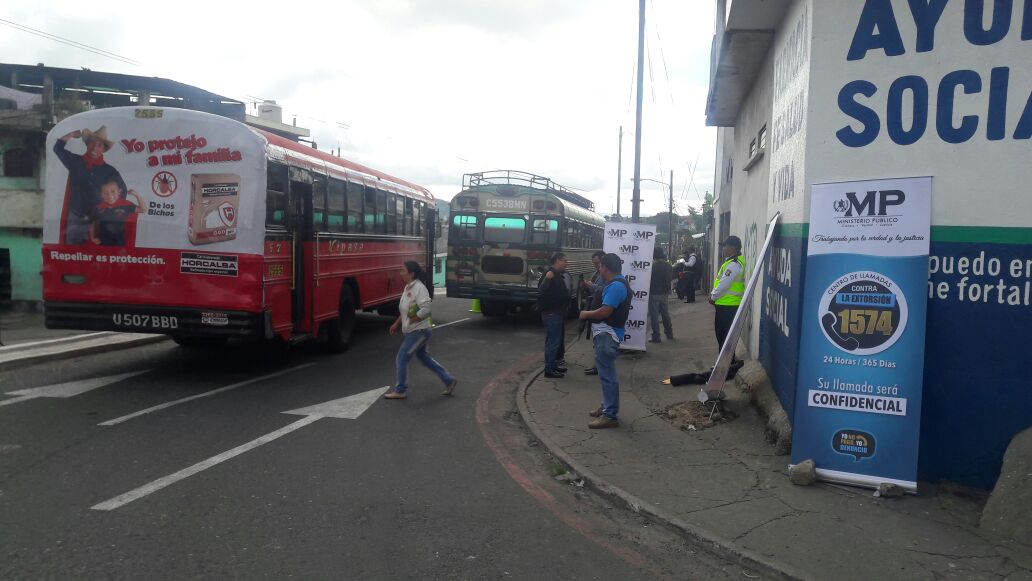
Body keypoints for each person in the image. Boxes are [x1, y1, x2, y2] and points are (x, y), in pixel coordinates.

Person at [385, 261, 457, 399]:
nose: (400, 273)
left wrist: (415, 319)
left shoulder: (419, 288)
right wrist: (396, 323)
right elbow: (406, 310)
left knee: (402, 357)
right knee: (424, 358)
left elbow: (426, 308)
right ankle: (449, 380)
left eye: (402, 270)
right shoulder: (408, 288)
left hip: (419, 331)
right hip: (413, 331)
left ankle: (400, 390)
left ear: (411, 273)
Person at [578, 253, 632, 429]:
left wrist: (586, 314)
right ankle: (606, 406)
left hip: (607, 335)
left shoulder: (616, 286)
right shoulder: (614, 283)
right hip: (605, 334)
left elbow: (605, 311)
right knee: (605, 375)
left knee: (608, 376)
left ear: (606, 268)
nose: (598, 269)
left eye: (600, 266)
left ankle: (610, 415)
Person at [53, 126, 128, 245]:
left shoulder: (110, 171)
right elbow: (57, 148)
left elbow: (122, 192)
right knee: (73, 254)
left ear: (103, 149)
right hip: (75, 218)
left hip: (99, 222)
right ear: (87, 144)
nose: (94, 148)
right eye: (92, 143)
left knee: (98, 255)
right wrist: (71, 134)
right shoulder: (75, 162)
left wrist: (108, 211)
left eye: (99, 145)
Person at [710, 236, 746, 365]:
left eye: (726, 246)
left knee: (723, 337)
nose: (723, 248)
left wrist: (713, 296)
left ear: (733, 248)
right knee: (725, 337)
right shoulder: (733, 262)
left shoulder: (733, 264)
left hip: (727, 306)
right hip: (728, 305)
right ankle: (727, 362)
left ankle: (724, 365)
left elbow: (724, 284)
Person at [538, 252, 570, 378]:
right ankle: (549, 370)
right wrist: (547, 278)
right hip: (552, 314)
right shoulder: (550, 274)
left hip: (557, 313)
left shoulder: (557, 274)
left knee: (555, 341)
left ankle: (553, 365)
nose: (566, 263)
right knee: (553, 342)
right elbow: (541, 291)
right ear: (557, 260)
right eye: (564, 260)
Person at [90, 179, 144, 246]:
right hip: (102, 242)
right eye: (106, 193)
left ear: (119, 191)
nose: (110, 195)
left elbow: (142, 209)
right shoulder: (98, 208)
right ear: (101, 194)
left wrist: (137, 195)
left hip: (120, 242)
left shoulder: (125, 205)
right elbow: (93, 224)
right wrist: (92, 237)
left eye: (113, 191)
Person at [581, 250, 606, 376]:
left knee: (600, 343)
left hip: (601, 312)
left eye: (597, 263)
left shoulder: (606, 275)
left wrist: (592, 286)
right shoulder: (597, 273)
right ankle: (597, 366)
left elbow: (604, 289)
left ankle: (598, 367)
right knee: (596, 342)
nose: (595, 265)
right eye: (594, 263)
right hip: (595, 309)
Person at [648, 247, 674, 343]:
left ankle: (656, 336)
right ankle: (669, 333)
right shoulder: (668, 266)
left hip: (654, 292)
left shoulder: (652, 266)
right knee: (665, 313)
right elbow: (669, 279)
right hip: (664, 293)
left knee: (654, 315)